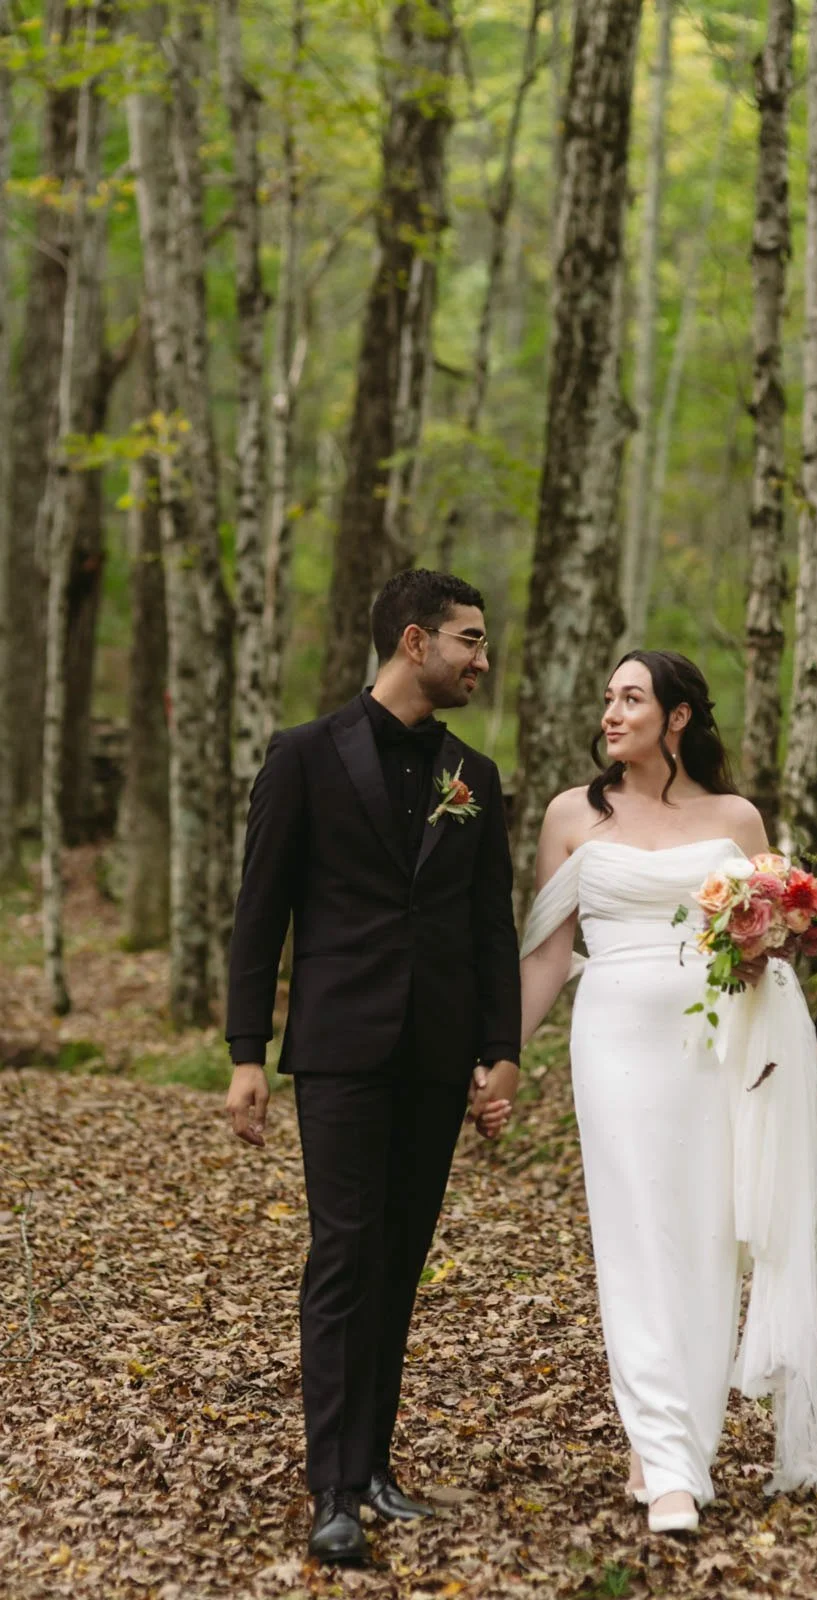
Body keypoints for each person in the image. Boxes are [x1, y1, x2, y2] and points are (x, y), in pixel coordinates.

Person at [225, 569, 520, 1566]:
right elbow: (259, 912)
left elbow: (490, 926)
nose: (483, 659)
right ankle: (333, 1490)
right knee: (345, 1256)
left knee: (398, 1260)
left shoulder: (474, 776)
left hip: (437, 1056)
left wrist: (502, 1049)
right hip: (340, 1048)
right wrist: (242, 1055)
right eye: (469, 641)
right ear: (412, 640)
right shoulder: (303, 756)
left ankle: (377, 1467)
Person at [519, 650, 817, 1535]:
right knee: (636, 1235)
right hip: (615, 1041)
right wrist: (497, 1056)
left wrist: (788, 931)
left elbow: (776, 928)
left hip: (720, 1044)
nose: (611, 713)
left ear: (678, 719)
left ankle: (674, 1447)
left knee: (704, 1239)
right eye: (608, 697)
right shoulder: (570, 816)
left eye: (632, 698)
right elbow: (548, 952)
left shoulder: (735, 816)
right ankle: (666, 1460)